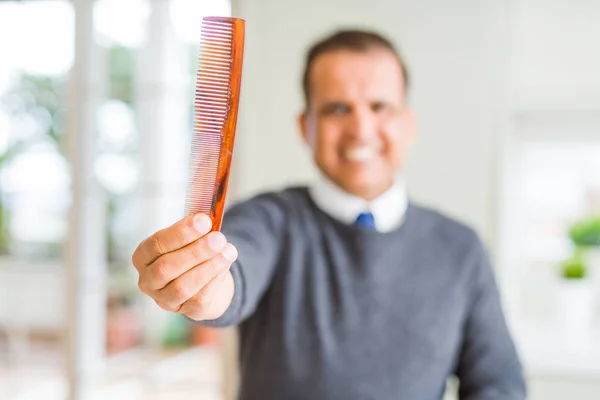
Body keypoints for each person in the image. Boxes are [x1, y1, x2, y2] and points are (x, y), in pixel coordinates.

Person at [132, 29, 526, 399]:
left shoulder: (460, 248)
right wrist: (202, 285)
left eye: (380, 107)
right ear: (307, 127)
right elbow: (234, 272)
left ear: (408, 125)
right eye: (338, 108)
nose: (361, 128)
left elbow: (499, 383)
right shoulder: (266, 220)